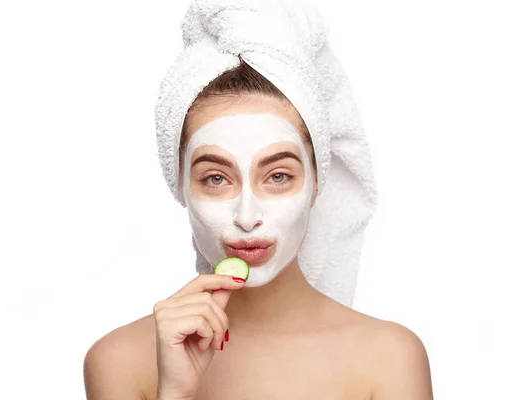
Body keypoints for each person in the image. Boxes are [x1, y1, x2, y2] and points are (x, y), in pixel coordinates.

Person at [84, 0, 433, 398]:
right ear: (179, 184)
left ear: (317, 181)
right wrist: (175, 392)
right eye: (215, 178)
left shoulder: (388, 357)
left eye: (278, 176)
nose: (247, 217)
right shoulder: (119, 360)